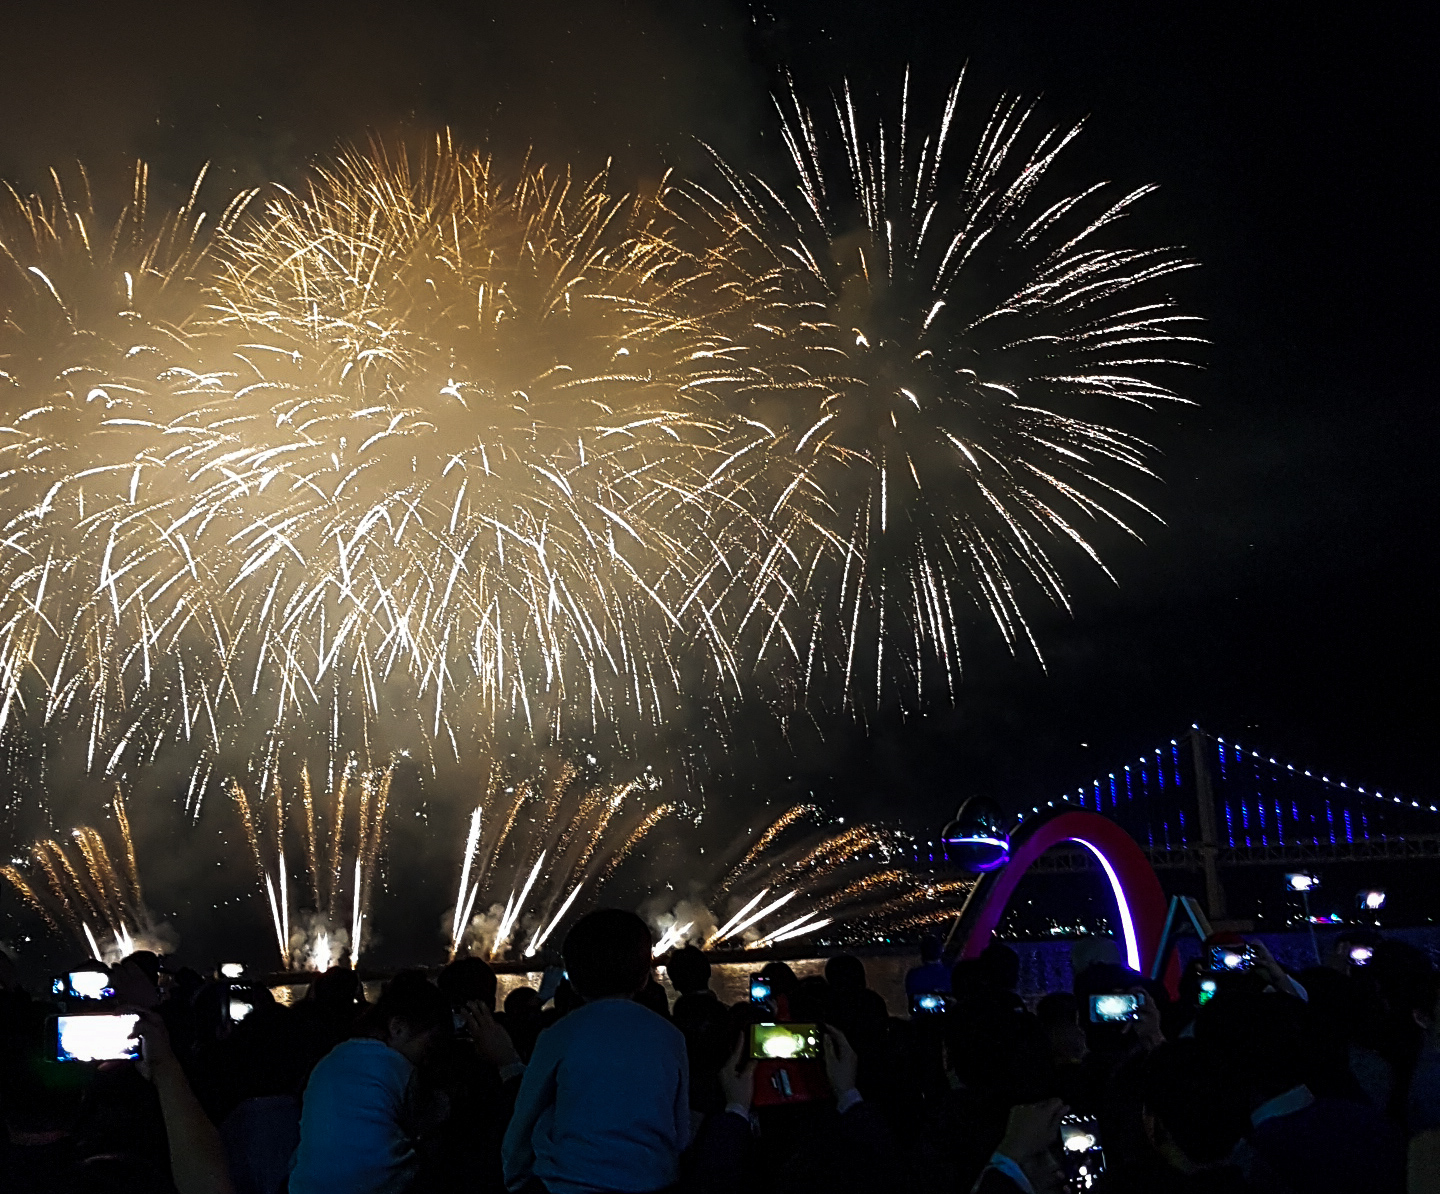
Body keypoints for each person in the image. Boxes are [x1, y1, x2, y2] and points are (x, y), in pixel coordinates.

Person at [502, 908, 688, 1194]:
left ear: (573, 979)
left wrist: (515, 1181)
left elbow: (523, 1119)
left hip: (568, 1185)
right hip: (655, 1183)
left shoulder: (558, 1035)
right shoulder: (671, 1036)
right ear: (644, 977)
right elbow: (680, 1129)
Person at [288, 970, 452, 1194]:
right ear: (398, 1028)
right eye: (430, 1044)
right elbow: (430, 1119)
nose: (429, 1056)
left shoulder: (330, 1059)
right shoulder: (401, 1068)